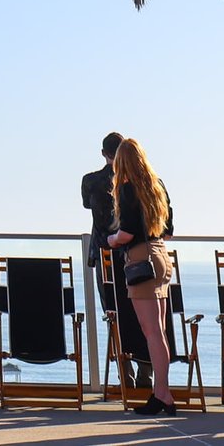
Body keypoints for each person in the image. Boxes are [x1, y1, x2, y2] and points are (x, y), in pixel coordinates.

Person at [106, 136, 178, 416]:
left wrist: (112, 239)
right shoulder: (157, 186)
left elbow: (127, 233)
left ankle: (161, 395)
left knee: (152, 333)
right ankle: (164, 393)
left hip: (140, 259)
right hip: (161, 256)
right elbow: (169, 229)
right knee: (159, 331)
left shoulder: (127, 189)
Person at [81, 132, 137, 386]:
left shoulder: (91, 181)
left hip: (104, 252)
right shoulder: (138, 181)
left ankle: (124, 374)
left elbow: (86, 205)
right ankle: (146, 369)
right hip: (133, 252)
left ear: (103, 153)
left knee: (112, 313)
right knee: (139, 312)